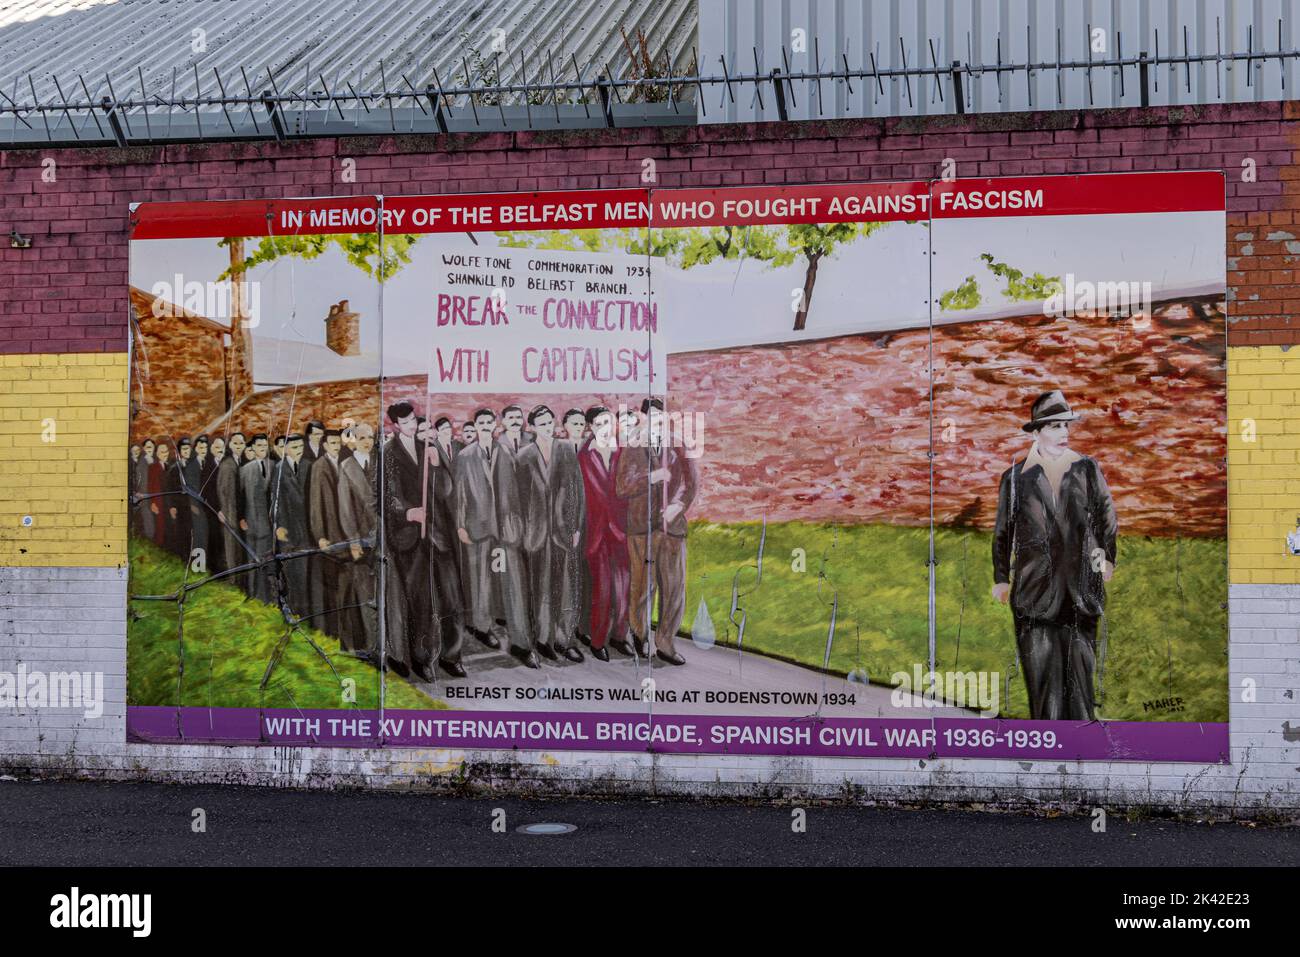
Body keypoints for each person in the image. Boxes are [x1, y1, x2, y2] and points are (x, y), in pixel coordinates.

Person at [992, 390, 1118, 721]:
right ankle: (1046, 743)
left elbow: (1106, 517)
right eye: (1054, 426)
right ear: (1036, 432)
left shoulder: (1087, 469)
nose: (1064, 433)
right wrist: (1001, 578)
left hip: (1081, 591)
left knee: (1080, 679)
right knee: (1042, 679)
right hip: (1034, 592)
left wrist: (1106, 560)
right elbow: (1004, 532)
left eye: (1066, 426)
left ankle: (1082, 743)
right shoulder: (1016, 478)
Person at [614, 398, 696, 666]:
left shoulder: (678, 444)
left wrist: (678, 505)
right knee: (643, 587)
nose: (657, 421)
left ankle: (666, 643)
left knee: (673, 588)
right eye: (652, 416)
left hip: (672, 528)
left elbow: (691, 482)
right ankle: (640, 636)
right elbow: (622, 487)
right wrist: (650, 478)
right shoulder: (633, 446)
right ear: (643, 418)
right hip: (642, 528)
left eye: (661, 416)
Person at [454, 408, 535, 668]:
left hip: (507, 527)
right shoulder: (465, 456)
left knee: (515, 585)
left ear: (495, 424)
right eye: (482, 422)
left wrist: (519, 522)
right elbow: (460, 494)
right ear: (475, 426)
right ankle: (481, 626)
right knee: (480, 583)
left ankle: (521, 643)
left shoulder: (507, 452)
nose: (486, 426)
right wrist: (460, 525)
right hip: (477, 526)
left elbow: (519, 491)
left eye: (490, 422)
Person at [517, 405, 585, 663]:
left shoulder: (566, 450)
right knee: (541, 586)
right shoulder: (523, 456)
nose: (547, 427)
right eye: (541, 423)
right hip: (536, 533)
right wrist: (524, 531)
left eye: (550, 422)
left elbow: (577, 491)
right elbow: (519, 500)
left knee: (565, 586)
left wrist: (577, 526)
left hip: (563, 530)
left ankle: (565, 639)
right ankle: (544, 639)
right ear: (532, 427)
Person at [383, 402, 434, 679]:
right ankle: (402, 656)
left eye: (413, 420)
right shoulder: (389, 452)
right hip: (403, 536)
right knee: (403, 601)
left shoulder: (425, 448)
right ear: (395, 426)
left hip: (427, 535)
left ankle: (421, 657)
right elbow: (389, 494)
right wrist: (407, 512)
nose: (412, 425)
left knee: (423, 600)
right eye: (406, 422)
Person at [578, 407, 631, 661]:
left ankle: (620, 637)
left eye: (608, 422)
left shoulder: (624, 452)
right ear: (591, 426)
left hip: (622, 530)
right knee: (602, 589)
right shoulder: (583, 455)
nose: (605, 427)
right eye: (599, 423)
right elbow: (577, 497)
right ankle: (598, 641)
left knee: (623, 588)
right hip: (596, 532)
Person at [418, 418, 467, 677]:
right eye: (421, 431)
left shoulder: (439, 457)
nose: (427, 436)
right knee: (424, 606)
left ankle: (452, 656)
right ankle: (425, 660)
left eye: (430, 430)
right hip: (417, 544)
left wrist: (436, 468)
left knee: (452, 602)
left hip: (444, 542)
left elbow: (448, 493)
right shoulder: (408, 459)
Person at [338, 423, 379, 657]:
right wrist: (353, 541)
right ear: (353, 440)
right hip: (361, 543)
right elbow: (345, 510)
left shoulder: (380, 464)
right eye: (362, 437)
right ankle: (372, 648)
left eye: (370, 437)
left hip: (382, 540)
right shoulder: (346, 467)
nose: (366, 442)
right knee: (365, 597)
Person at [307, 429, 347, 639]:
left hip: (343, 534)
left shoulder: (342, 464)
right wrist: (320, 535)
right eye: (332, 443)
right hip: (329, 534)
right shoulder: (319, 467)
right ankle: (332, 633)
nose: (336, 446)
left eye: (338, 443)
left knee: (342, 585)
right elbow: (315, 504)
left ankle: (342, 630)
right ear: (324, 445)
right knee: (331, 585)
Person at [270, 434, 311, 618]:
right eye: (294, 447)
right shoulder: (279, 469)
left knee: (305, 573)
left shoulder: (308, 466)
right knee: (291, 573)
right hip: (288, 530)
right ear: (286, 449)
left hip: (306, 529)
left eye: (300, 446)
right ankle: (293, 611)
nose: (298, 450)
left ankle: (304, 612)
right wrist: (278, 526)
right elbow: (276, 501)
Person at [238, 434, 274, 602]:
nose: (262, 449)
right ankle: (252, 594)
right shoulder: (246, 469)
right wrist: (241, 518)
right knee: (251, 560)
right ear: (252, 448)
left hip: (268, 524)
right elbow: (240, 496)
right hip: (251, 521)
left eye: (265, 446)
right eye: (259, 445)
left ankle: (264, 596)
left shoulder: (273, 466)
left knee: (265, 559)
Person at [216, 432, 247, 589]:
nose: (239, 446)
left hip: (235, 516)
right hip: (231, 516)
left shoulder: (238, 462)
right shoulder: (228, 465)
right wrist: (232, 518)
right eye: (236, 444)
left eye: (242, 443)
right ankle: (235, 584)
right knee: (233, 552)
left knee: (237, 552)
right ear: (230, 445)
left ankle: (237, 583)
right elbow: (227, 495)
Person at [135, 439, 155, 542]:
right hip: (145, 493)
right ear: (144, 449)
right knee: (147, 516)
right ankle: (149, 538)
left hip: (153, 492)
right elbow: (139, 478)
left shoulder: (154, 459)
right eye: (147, 447)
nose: (149, 449)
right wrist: (140, 492)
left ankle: (153, 537)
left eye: (151, 447)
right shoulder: (142, 461)